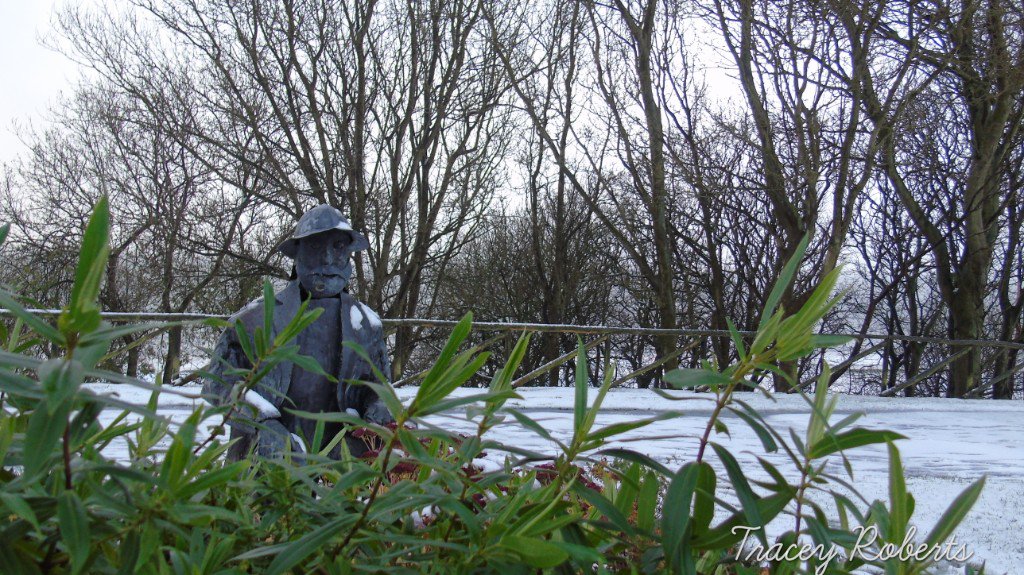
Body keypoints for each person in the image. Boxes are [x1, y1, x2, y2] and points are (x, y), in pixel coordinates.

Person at [204, 204, 393, 461]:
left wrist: (379, 406)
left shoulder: (367, 326)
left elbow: (379, 386)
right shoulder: (255, 319)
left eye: (338, 246)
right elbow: (218, 384)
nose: (327, 259)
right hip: (268, 467)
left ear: (349, 254)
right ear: (297, 255)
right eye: (315, 246)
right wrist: (262, 424)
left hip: (340, 471)